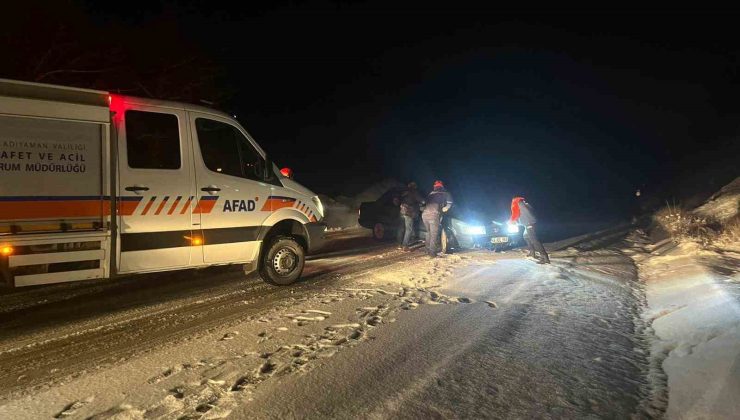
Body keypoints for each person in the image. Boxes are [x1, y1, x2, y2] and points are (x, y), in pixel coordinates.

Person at [510, 196, 550, 264]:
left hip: (529, 224)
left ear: (514, 199)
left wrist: (512, 221)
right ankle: (532, 252)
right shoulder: (524, 203)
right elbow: (525, 213)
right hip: (530, 223)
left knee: (534, 240)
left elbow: (515, 214)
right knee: (526, 236)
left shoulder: (517, 203)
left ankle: (545, 257)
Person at [422, 180, 453, 257]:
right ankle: (432, 253)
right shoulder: (445, 193)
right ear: (442, 186)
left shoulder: (430, 194)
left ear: (434, 187)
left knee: (428, 232)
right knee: (434, 235)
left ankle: (427, 250)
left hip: (425, 215)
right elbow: (449, 203)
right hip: (434, 215)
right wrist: (445, 208)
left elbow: (424, 203)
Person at [397, 182, 424, 251]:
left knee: (401, 228)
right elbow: (422, 201)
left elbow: (398, 200)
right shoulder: (414, 192)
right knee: (409, 229)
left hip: (402, 211)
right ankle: (405, 245)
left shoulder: (404, 192)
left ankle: (399, 244)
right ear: (414, 186)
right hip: (408, 212)